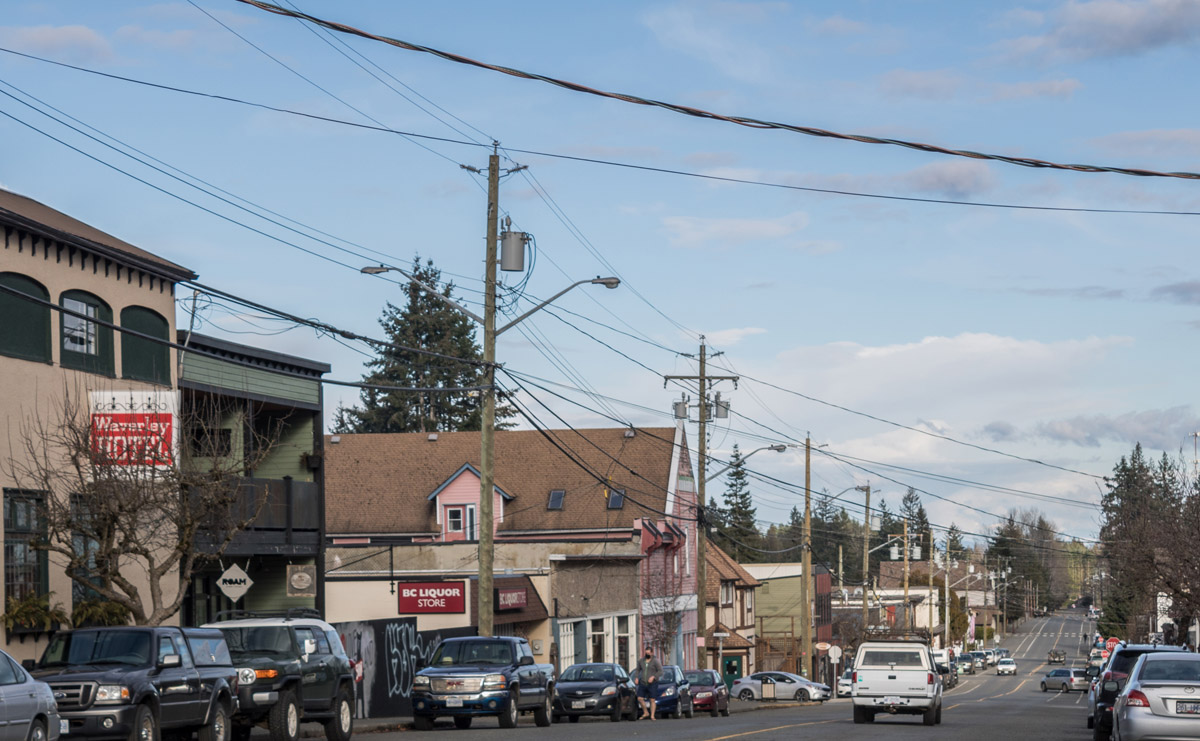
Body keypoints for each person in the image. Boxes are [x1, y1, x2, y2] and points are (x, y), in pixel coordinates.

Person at [634, 647, 663, 720]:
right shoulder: (641, 661)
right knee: (640, 698)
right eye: (646, 653)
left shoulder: (656, 661)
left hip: (652, 683)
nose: (647, 654)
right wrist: (636, 677)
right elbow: (637, 670)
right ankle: (646, 712)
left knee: (652, 699)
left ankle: (652, 715)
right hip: (643, 682)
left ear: (652, 653)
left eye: (648, 653)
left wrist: (654, 677)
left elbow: (660, 671)